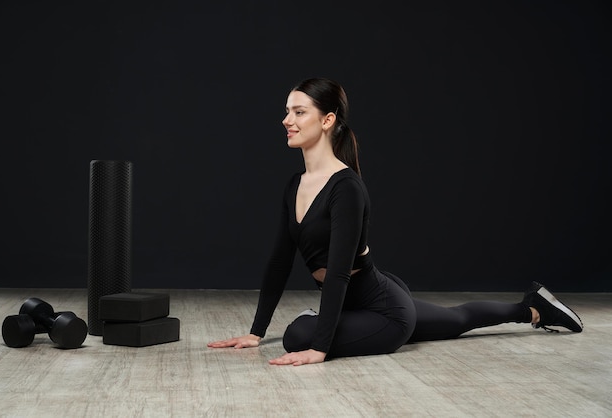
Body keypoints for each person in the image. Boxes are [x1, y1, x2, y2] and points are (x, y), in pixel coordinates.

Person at [207, 77, 583, 366]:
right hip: (369, 298)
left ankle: (323, 328)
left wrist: (319, 347)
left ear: (327, 120)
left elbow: (337, 272)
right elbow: (279, 262)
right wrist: (256, 333)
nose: (286, 120)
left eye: (298, 112)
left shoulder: (346, 188)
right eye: (287, 111)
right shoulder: (295, 184)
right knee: (457, 320)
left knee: (297, 334)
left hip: (384, 310)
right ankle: (534, 308)